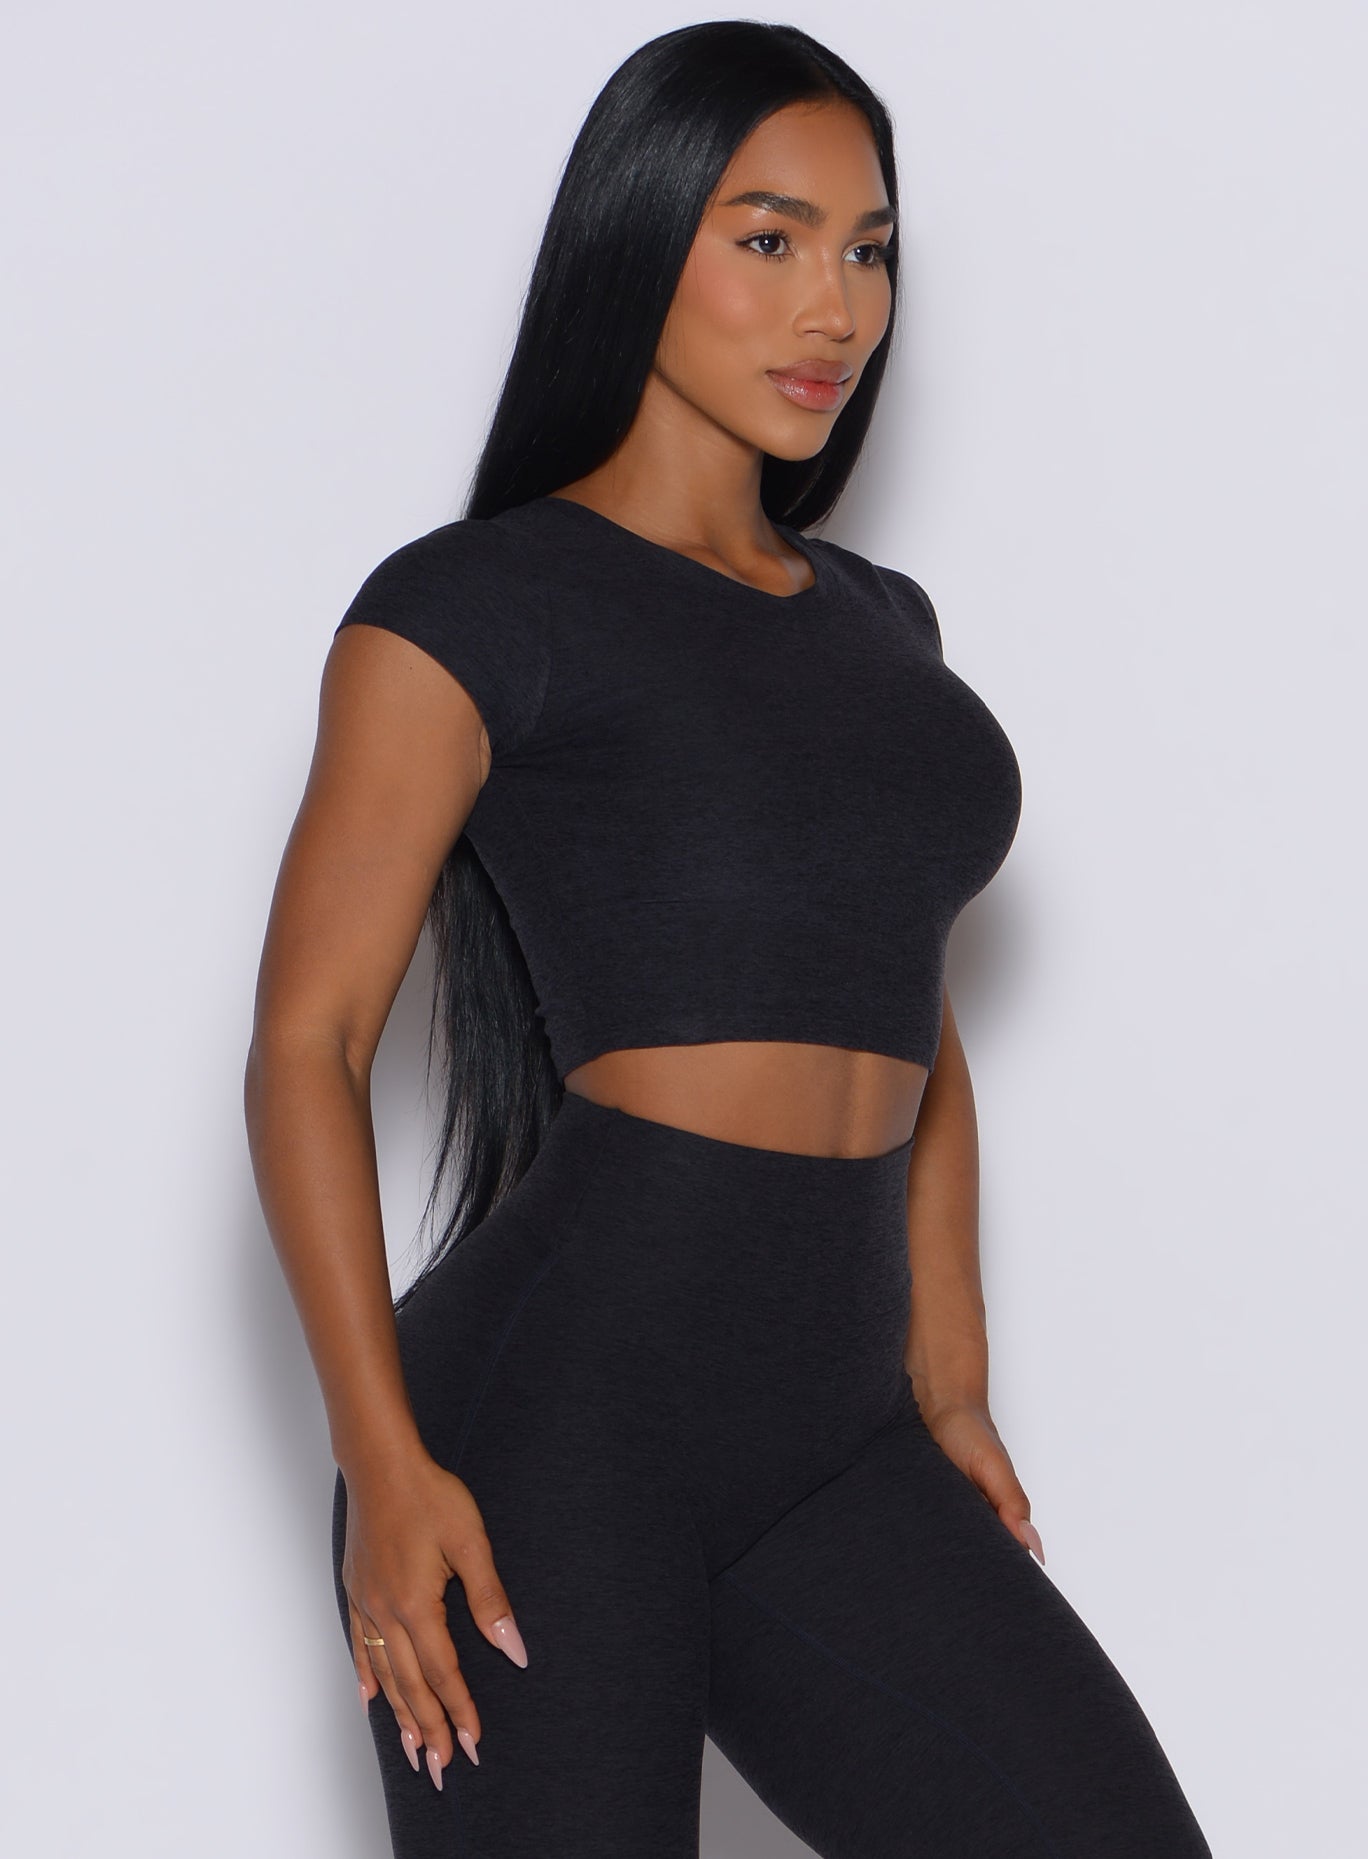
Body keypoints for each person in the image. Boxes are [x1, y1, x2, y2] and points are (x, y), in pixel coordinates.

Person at [244, 20, 1213, 1858]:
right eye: (768, 239)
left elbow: (912, 1008)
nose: (834, 307)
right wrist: (381, 1462)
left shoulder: (885, 623)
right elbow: (312, 1042)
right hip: (553, 1425)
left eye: (869, 249)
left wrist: (951, 1378)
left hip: (838, 1426)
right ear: (635, 242)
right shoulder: (473, 605)